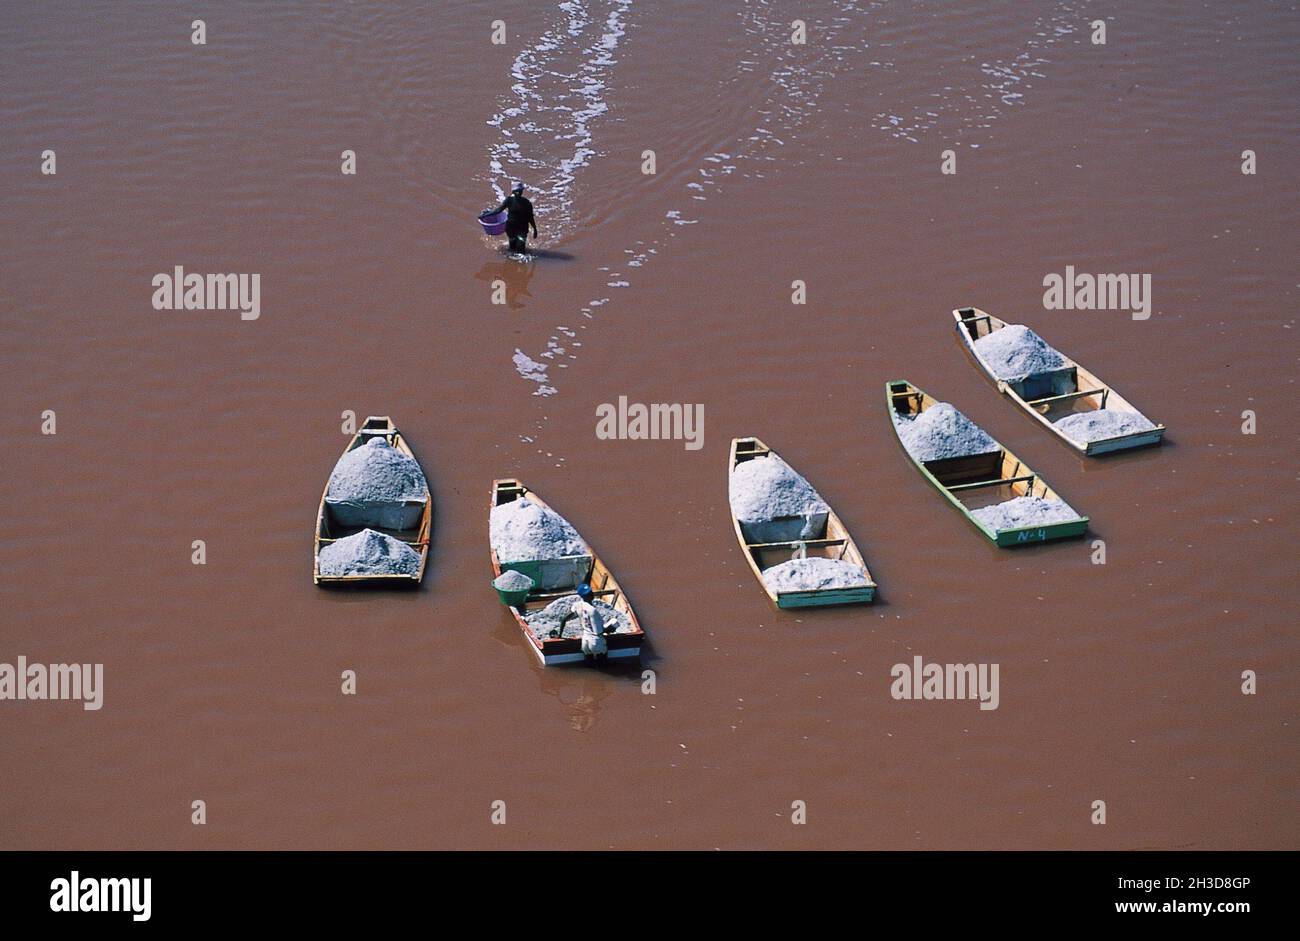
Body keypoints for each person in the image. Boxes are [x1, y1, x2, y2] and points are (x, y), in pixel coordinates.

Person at [484, 182, 538, 255]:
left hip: (523, 228)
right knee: (512, 247)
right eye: (516, 191)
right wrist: (486, 215)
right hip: (511, 227)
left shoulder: (527, 203)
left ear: (522, 191)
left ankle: (521, 264)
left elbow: (530, 217)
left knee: (521, 249)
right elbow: (498, 210)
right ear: (513, 191)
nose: (518, 192)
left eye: (520, 191)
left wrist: (535, 229)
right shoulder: (509, 200)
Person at [561, 582, 608, 660]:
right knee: (603, 665)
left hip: (585, 639)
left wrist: (560, 636)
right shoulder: (593, 611)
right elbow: (598, 631)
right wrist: (611, 628)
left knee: (589, 664)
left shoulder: (577, 605)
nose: (592, 594)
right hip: (596, 642)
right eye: (590, 593)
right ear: (588, 596)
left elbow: (564, 619)